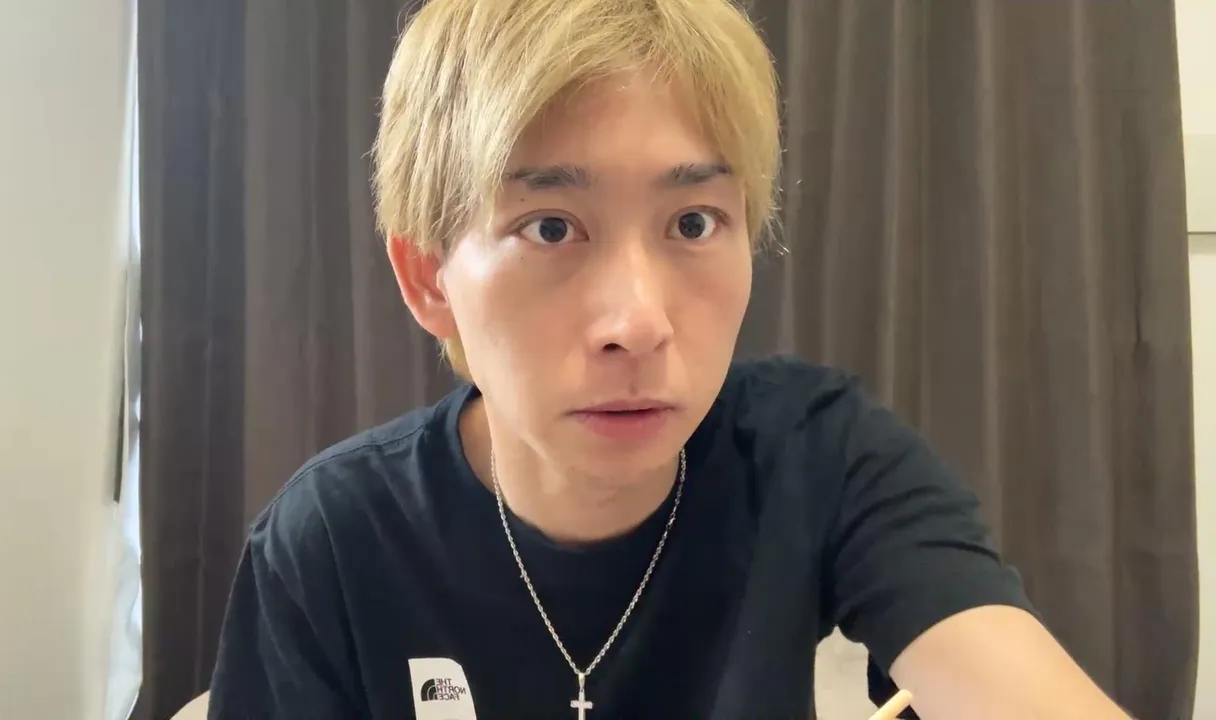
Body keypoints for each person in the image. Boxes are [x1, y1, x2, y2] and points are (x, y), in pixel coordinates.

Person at [207, 0, 1133, 718]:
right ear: (428, 277)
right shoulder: (332, 541)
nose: (639, 323)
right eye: (551, 227)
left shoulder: (816, 453)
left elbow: (1002, 666)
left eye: (693, 222)